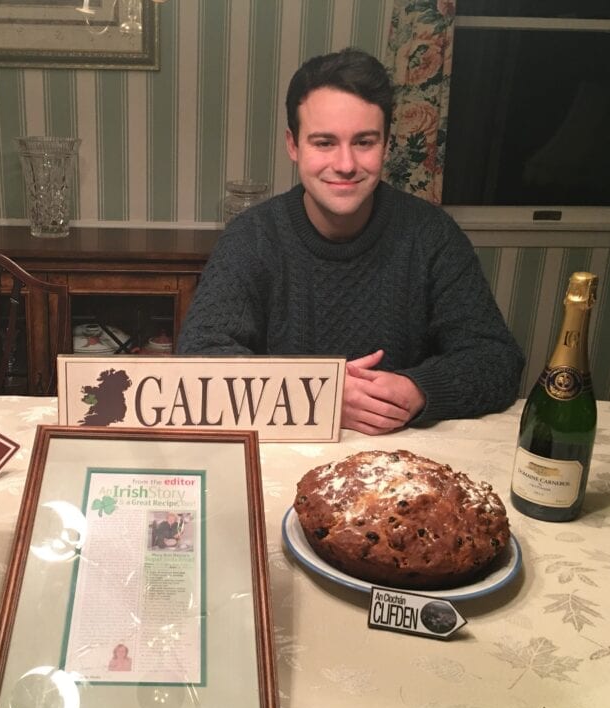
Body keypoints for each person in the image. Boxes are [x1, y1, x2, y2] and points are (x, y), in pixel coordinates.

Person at [177, 48, 524, 435]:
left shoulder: (431, 235)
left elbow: (497, 359)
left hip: (402, 459)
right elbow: (199, 359)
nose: (345, 164)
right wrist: (316, 396)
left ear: (387, 144)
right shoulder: (251, 237)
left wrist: (421, 390)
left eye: (364, 142)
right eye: (324, 143)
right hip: (284, 454)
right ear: (294, 146)